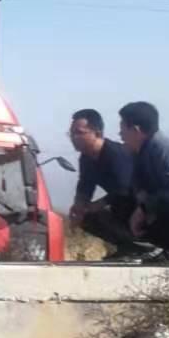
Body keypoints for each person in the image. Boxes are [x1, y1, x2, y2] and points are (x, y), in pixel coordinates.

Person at [67, 108, 138, 256]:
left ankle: (146, 248)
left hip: (140, 204)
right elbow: (85, 184)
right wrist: (79, 205)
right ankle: (128, 248)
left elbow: (125, 189)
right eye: (71, 133)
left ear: (97, 133)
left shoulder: (116, 154)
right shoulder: (86, 158)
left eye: (79, 133)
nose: (73, 137)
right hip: (120, 205)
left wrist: (97, 205)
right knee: (87, 217)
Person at [120, 102, 169, 256]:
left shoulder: (163, 150)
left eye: (123, 129)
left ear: (136, 130)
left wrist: (144, 208)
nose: (120, 135)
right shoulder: (140, 153)